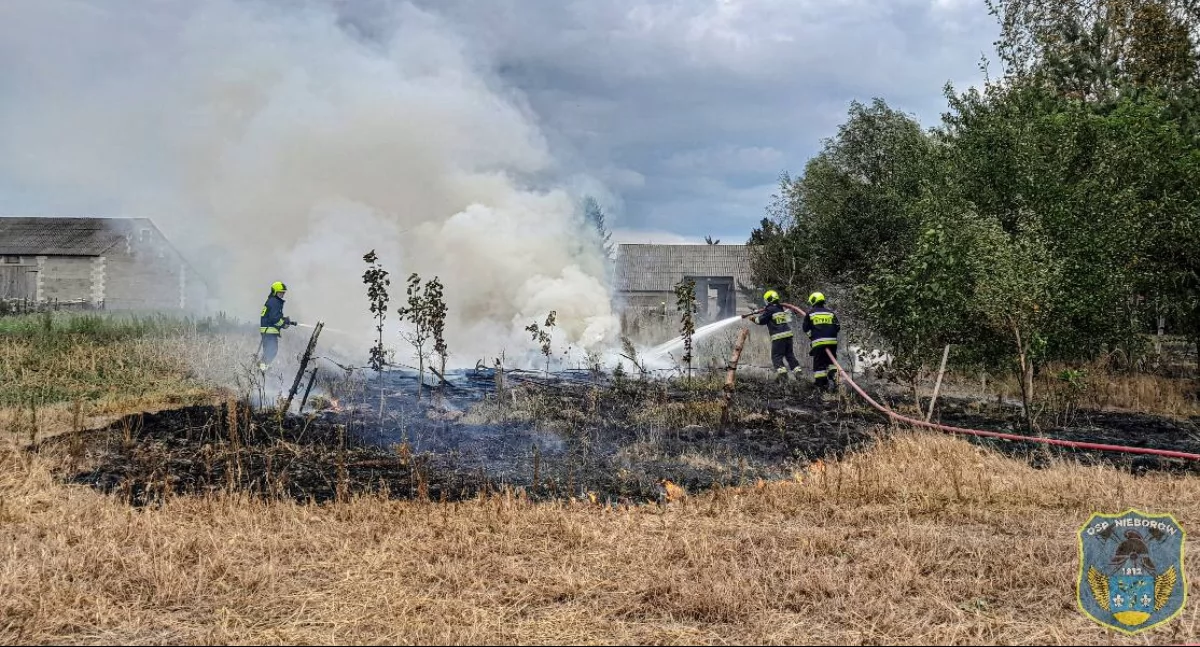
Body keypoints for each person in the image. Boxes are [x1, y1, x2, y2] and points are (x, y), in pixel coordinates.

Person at [750, 290, 803, 381]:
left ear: (768, 300)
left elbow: (760, 321)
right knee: (790, 355)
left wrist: (753, 318)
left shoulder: (769, 309)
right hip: (788, 336)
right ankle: (799, 373)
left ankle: (783, 376)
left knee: (776, 357)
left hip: (779, 337)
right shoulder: (780, 308)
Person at [802, 291, 841, 392]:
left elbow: (805, 328)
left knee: (819, 364)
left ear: (813, 301)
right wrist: (830, 335)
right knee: (831, 361)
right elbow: (838, 327)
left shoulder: (810, 313)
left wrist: (813, 337)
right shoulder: (831, 313)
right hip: (832, 342)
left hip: (819, 343)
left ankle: (821, 385)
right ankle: (834, 377)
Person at [259, 281, 296, 371]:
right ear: (275, 292)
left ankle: (263, 368)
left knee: (270, 351)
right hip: (269, 331)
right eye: (280, 293)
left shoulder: (272, 301)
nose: (282, 295)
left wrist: (285, 322)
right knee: (271, 351)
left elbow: (274, 317)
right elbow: (274, 318)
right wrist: (283, 323)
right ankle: (262, 369)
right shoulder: (275, 302)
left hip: (268, 331)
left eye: (283, 293)